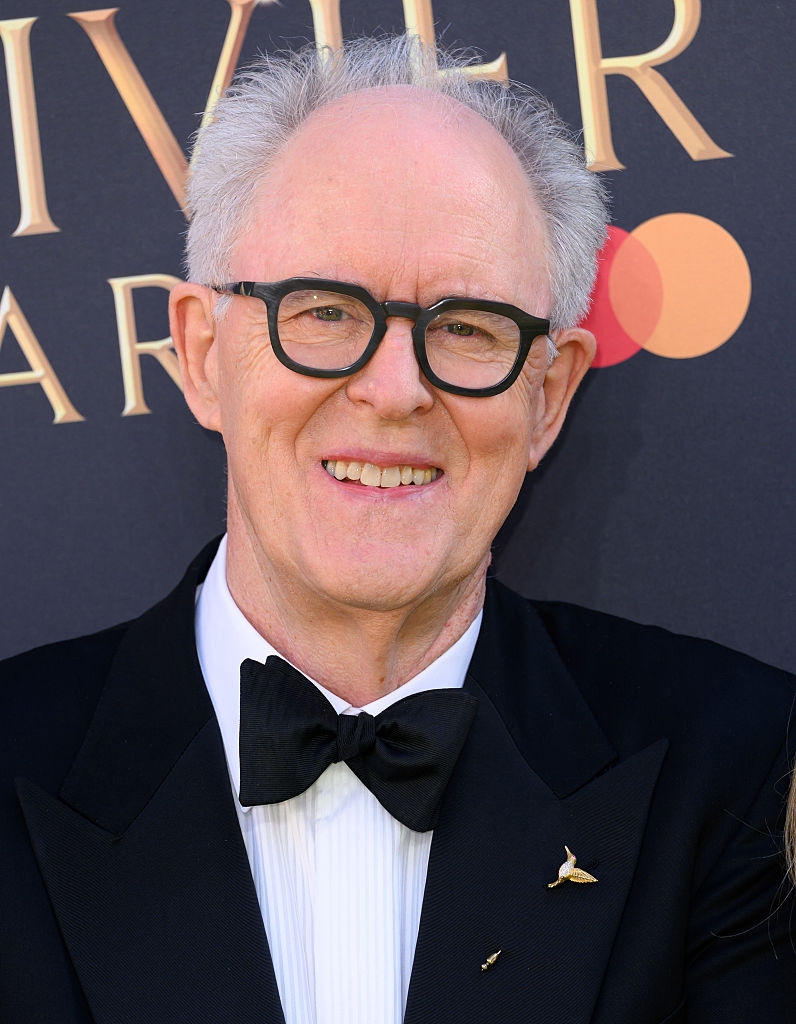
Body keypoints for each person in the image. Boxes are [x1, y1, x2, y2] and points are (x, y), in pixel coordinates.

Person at [2, 35, 794, 1024]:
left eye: (465, 326)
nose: (394, 389)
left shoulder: (740, 776)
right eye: (325, 311)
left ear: (548, 397)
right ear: (203, 354)